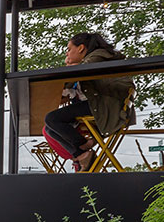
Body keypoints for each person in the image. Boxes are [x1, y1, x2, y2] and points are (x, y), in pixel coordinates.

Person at [43, 32, 135, 171]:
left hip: (104, 106)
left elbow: (73, 77)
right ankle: (82, 154)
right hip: (103, 104)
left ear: (80, 48)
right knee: (50, 128)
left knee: (51, 118)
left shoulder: (98, 56)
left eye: (69, 49)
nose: (67, 54)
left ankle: (83, 147)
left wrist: (71, 68)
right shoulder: (97, 58)